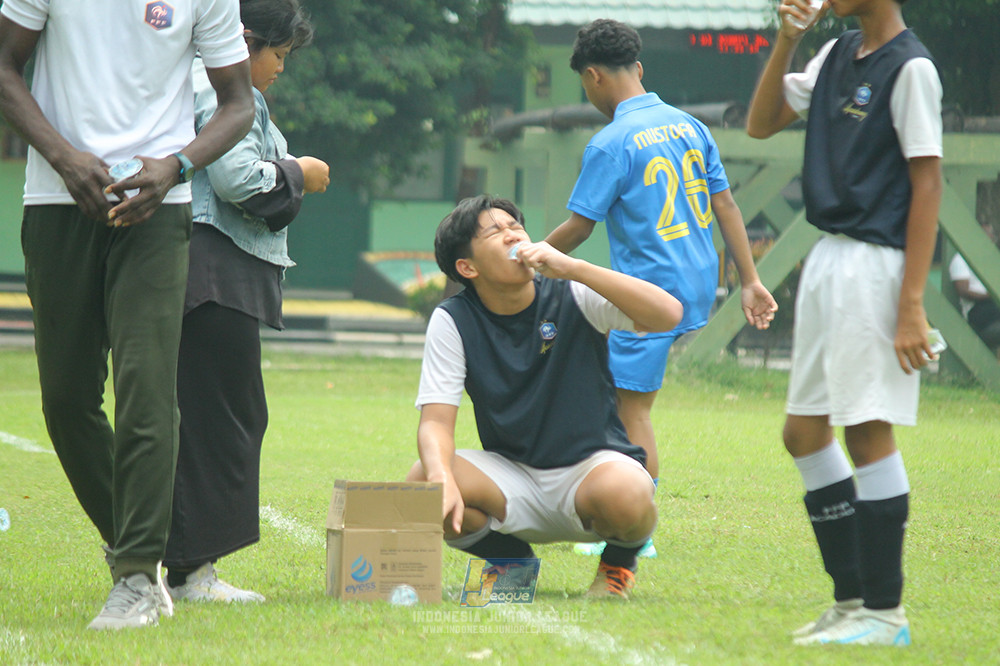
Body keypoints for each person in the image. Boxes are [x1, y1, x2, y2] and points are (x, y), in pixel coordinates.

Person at [0, 0, 254, 630]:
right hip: (58, 198)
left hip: (156, 209)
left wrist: (178, 166)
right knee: (65, 400)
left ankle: (137, 577)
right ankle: (148, 550)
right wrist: (64, 157)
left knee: (147, 387)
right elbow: (3, 66)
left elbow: (238, 102)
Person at [746, 0, 942, 647]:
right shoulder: (833, 56)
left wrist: (912, 302)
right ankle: (852, 600)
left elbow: (928, 185)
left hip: (877, 266)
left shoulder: (911, 68)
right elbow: (760, 123)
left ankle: (885, 613)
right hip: (828, 257)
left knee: (867, 434)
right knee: (803, 434)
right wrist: (786, 40)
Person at [544, 19, 778, 558]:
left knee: (633, 409)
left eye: (584, 82)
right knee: (613, 393)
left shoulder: (610, 143)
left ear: (595, 76)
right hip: (695, 279)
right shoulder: (690, 126)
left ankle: (634, 528)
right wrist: (750, 280)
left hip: (647, 293)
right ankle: (611, 500)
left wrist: (527, 258)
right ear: (640, 69)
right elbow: (725, 205)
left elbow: (580, 227)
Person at [408, 195, 683, 599]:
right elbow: (435, 422)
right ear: (468, 267)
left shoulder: (573, 293)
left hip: (591, 471)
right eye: (495, 232)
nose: (513, 235)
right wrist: (442, 478)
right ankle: (513, 564)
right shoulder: (453, 319)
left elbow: (668, 314)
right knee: (422, 484)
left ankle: (617, 567)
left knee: (627, 493)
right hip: (512, 475)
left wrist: (575, 266)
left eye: (515, 227)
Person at [162, 0, 328, 604]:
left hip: (195, 274)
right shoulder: (227, 93)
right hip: (214, 276)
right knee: (224, 421)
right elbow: (236, 180)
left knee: (203, 418)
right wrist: (298, 172)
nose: (281, 68)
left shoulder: (188, 83)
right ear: (245, 42)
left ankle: (180, 565)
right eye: (278, 55)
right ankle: (191, 573)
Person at [948, 223, 1000, 358]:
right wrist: (990, 295)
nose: (989, 238)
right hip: (978, 310)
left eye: (991, 235)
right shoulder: (961, 259)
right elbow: (963, 290)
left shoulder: (992, 260)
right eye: (985, 234)